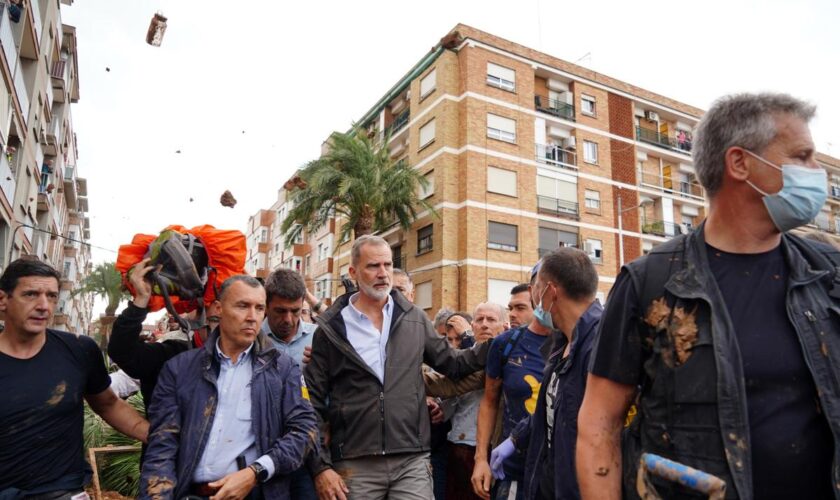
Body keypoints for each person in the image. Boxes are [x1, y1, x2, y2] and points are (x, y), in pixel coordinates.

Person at [577, 93, 840, 500]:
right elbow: (599, 425)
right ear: (739, 163)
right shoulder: (651, 282)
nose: (816, 171)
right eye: (802, 156)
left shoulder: (830, 273)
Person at [305, 235, 490, 500]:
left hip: (411, 461)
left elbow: (453, 363)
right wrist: (320, 467)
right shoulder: (332, 329)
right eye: (373, 266)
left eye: (388, 265)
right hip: (355, 464)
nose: (383, 274)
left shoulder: (414, 318)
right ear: (353, 272)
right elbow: (311, 403)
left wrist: (497, 346)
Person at [140, 275, 318, 499]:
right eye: (243, 306)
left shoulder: (283, 370)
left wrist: (256, 472)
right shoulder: (180, 370)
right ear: (219, 308)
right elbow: (162, 444)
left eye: (259, 308)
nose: (252, 317)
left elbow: (305, 432)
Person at [0, 259, 149, 498]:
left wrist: (156, 436)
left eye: (51, 296)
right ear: (3, 301)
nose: (43, 306)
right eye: (30, 294)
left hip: (61, 489)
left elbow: (108, 404)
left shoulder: (79, 350)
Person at [488, 248, 601, 499]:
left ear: (549, 292)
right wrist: (516, 439)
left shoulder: (601, 347)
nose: (534, 298)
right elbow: (552, 409)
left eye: (535, 289)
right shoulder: (561, 344)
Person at [108, 258, 221, 416]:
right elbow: (123, 352)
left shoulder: (250, 361)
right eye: (215, 307)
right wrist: (141, 300)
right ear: (198, 311)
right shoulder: (171, 354)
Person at [472, 279, 549, 500]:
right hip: (513, 469)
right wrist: (481, 459)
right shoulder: (505, 344)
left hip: (555, 466)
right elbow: (489, 401)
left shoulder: (568, 342)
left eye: (520, 307)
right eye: (511, 308)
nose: (513, 314)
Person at [260, 268, 318, 499]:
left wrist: (324, 365)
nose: (288, 320)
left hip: (308, 451)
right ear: (266, 305)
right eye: (280, 311)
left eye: (295, 311)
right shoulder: (251, 338)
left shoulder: (319, 337)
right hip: (263, 450)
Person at [444, 303, 508, 500]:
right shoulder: (459, 359)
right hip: (459, 448)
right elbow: (447, 402)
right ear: (472, 326)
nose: (484, 325)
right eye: (479, 320)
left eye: (491, 319)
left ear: (504, 326)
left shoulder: (510, 359)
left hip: (496, 450)